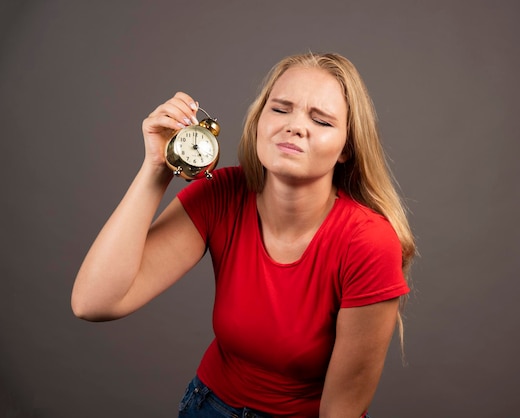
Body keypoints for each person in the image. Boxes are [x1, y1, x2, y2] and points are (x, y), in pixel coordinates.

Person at [72, 52, 417, 418]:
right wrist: (158, 166)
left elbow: (341, 411)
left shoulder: (368, 242)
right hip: (208, 406)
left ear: (346, 148)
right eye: (280, 109)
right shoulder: (221, 194)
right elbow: (94, 302)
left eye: (321, 121)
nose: (295, 126)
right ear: (258, 121)